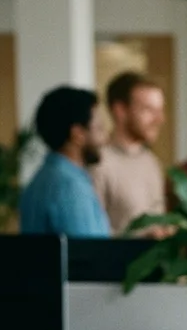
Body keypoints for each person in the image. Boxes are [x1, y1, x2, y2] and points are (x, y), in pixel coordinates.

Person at [20, 86, 110, 237]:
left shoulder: (40, 180)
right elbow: (90, 255)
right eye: (100, 128)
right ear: (78, 134)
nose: (105, 139)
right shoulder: (70, 187)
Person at [91, 71, 166, 234]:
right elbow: (93, 235)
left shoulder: (151, 161)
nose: (159, 119)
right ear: (120, 111)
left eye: (160, 110)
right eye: (149, 110)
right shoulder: (98, 163)